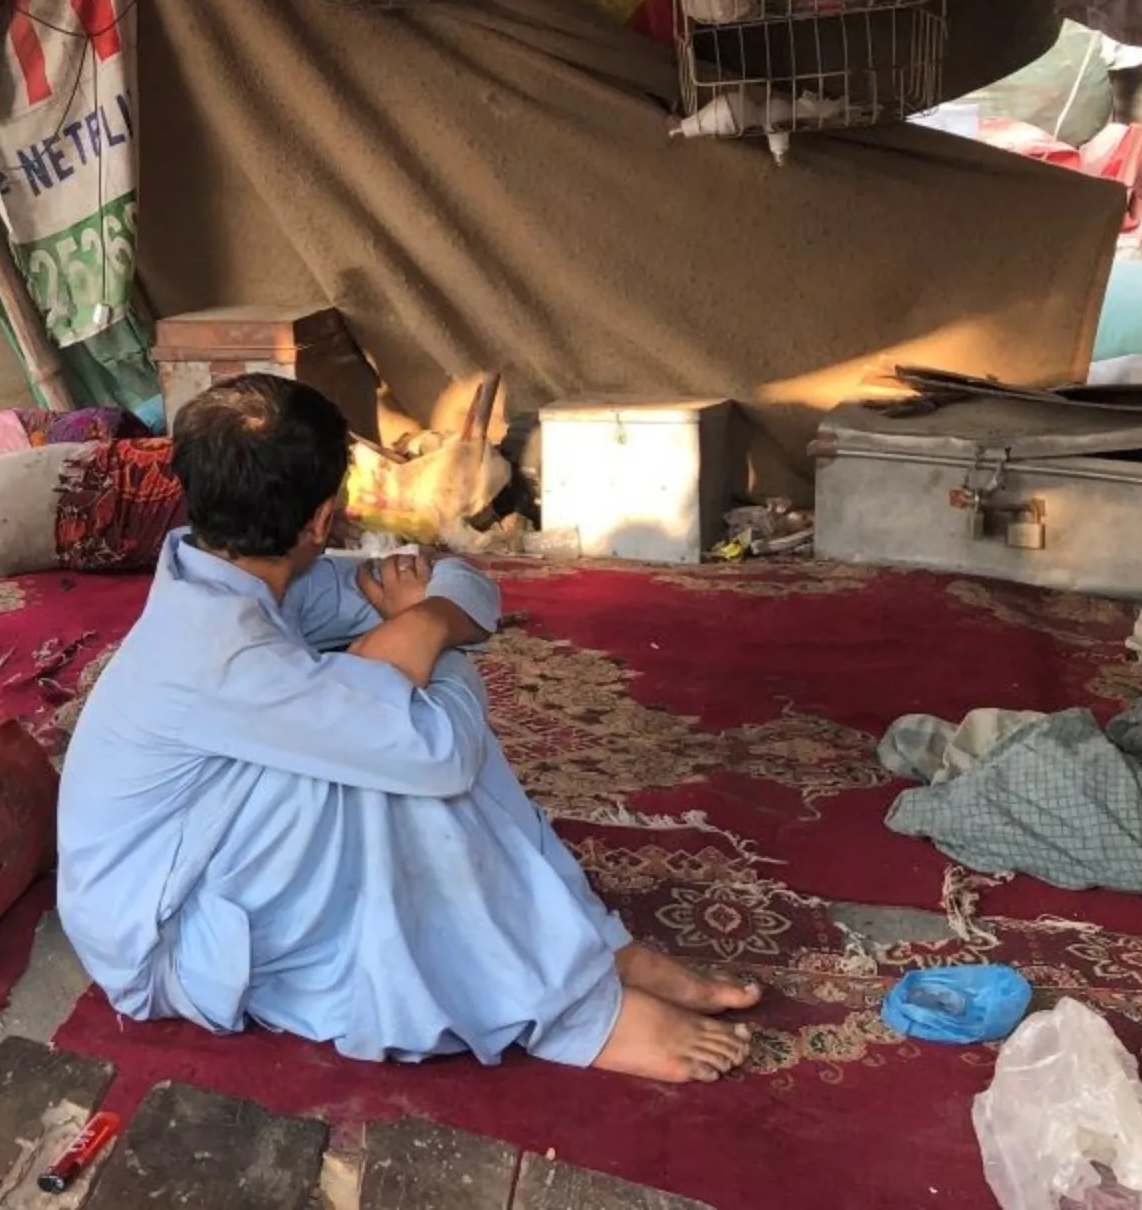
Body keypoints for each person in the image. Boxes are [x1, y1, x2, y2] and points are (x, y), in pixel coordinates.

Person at [57, 374, 760, 1082]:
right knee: (389, 780)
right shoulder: (222, 649)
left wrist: (422, 626)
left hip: (197, 859)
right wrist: (419, 645)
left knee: (393, 723)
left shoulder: (223, 568)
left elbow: (461, 585)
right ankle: (576, 1010)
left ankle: (598, 951)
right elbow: (443, 751)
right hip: (163, 936)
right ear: (321, 517)